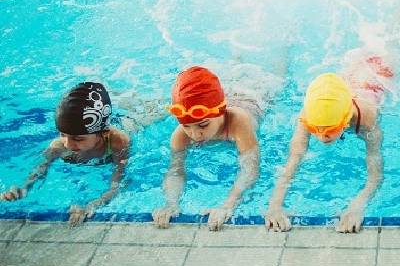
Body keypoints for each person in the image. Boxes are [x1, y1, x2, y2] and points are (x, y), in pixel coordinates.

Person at [265, 50, 394, 233]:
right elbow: (292, 162)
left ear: (345, 120)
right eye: (315, 128)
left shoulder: (367, 119)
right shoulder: (308, 114)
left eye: (330, 130)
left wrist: (357, 206)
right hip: (347, 83)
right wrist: (275, 205)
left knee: (389, 48)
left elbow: (376, 176)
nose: (321, 136)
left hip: (378, 75)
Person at [152, 64, 275, 231]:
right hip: (222, 98)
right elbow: (175, 171)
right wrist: (171, 203)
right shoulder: (180, 134)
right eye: (187, 126)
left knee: (274, 76)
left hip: (253, 98)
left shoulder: (238, 122)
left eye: (203, 125)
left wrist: (228, 205)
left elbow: (250, 169)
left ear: (220, 112)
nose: (195, 135)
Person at [1, 82, 130, 226]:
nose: (67, 144)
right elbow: (39, 170)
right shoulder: (58, 146)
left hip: (127, 122)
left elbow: (117, 184)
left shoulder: (118, 143)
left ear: (103, 133)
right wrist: (23, 187)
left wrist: (94, 204)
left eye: (78, 139)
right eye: (63, 134)